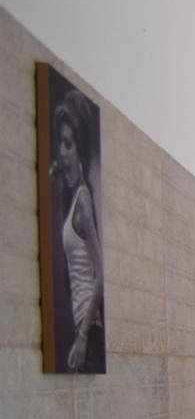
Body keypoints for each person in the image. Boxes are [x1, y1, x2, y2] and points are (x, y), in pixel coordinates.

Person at [50, 90, 103, 372]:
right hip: (84, 327)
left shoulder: (83, 200)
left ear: (79, 149)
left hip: (89, 329)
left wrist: (83, 336)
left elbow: (101, 274)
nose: (62, 152)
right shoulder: (74, 199)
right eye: (60, 142)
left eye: (68, 144)